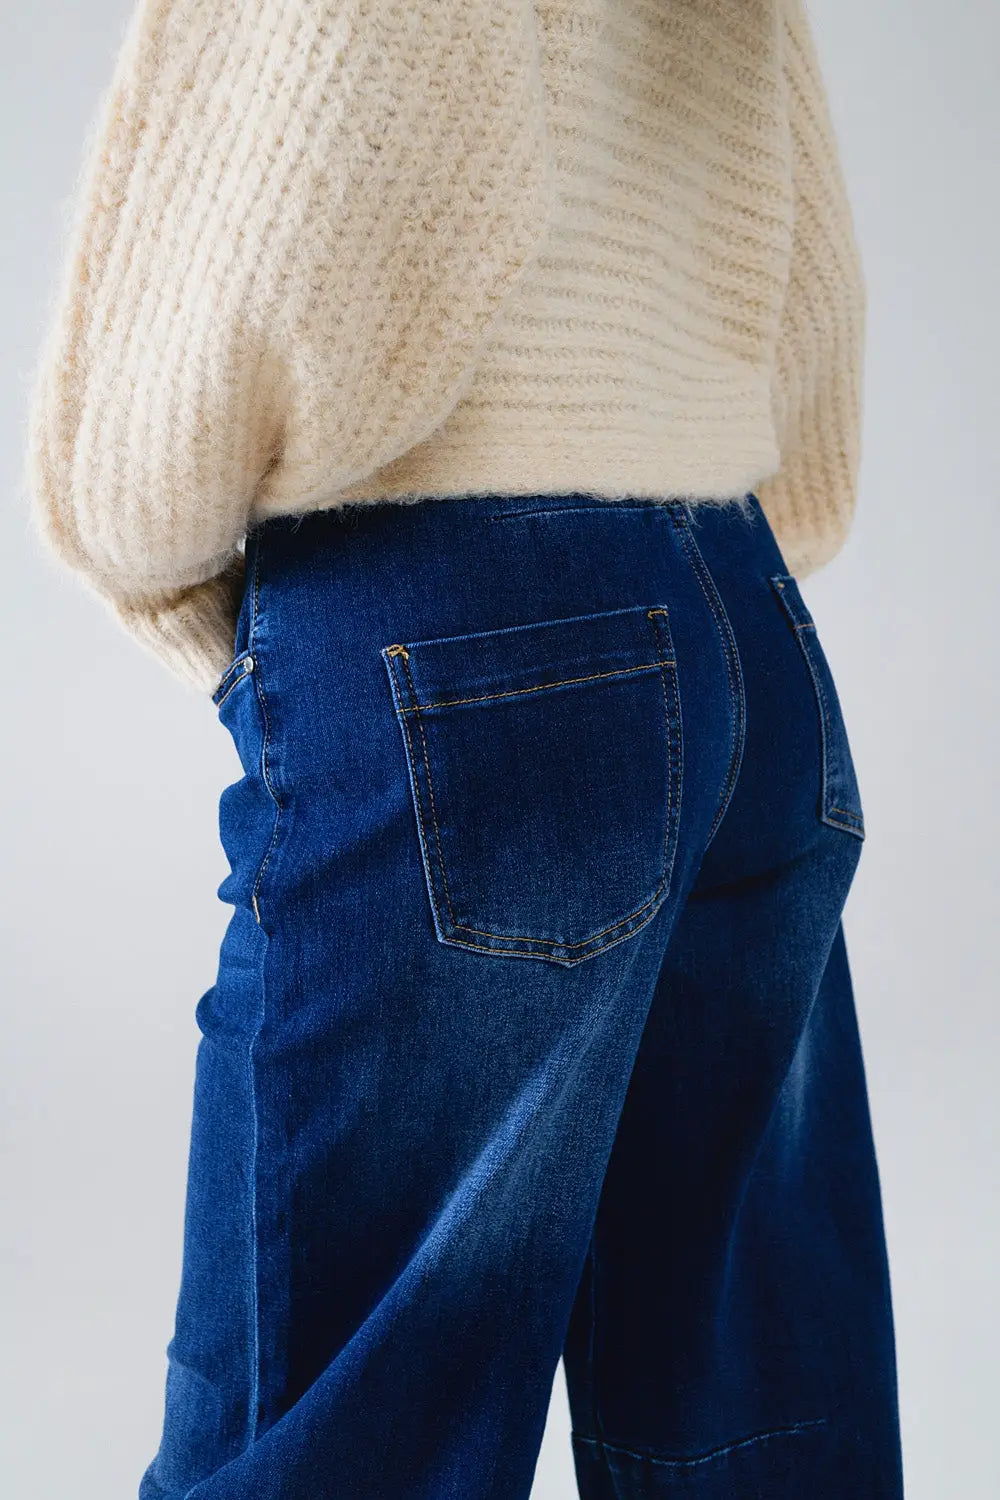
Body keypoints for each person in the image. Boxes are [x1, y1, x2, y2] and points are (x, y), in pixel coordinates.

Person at [24, 2, 902, 1497]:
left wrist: (159, 562)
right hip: (738, 621)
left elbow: (224, 271)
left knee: (333, 1434)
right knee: (751, 1419)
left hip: (461, 628)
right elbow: (801, 268)